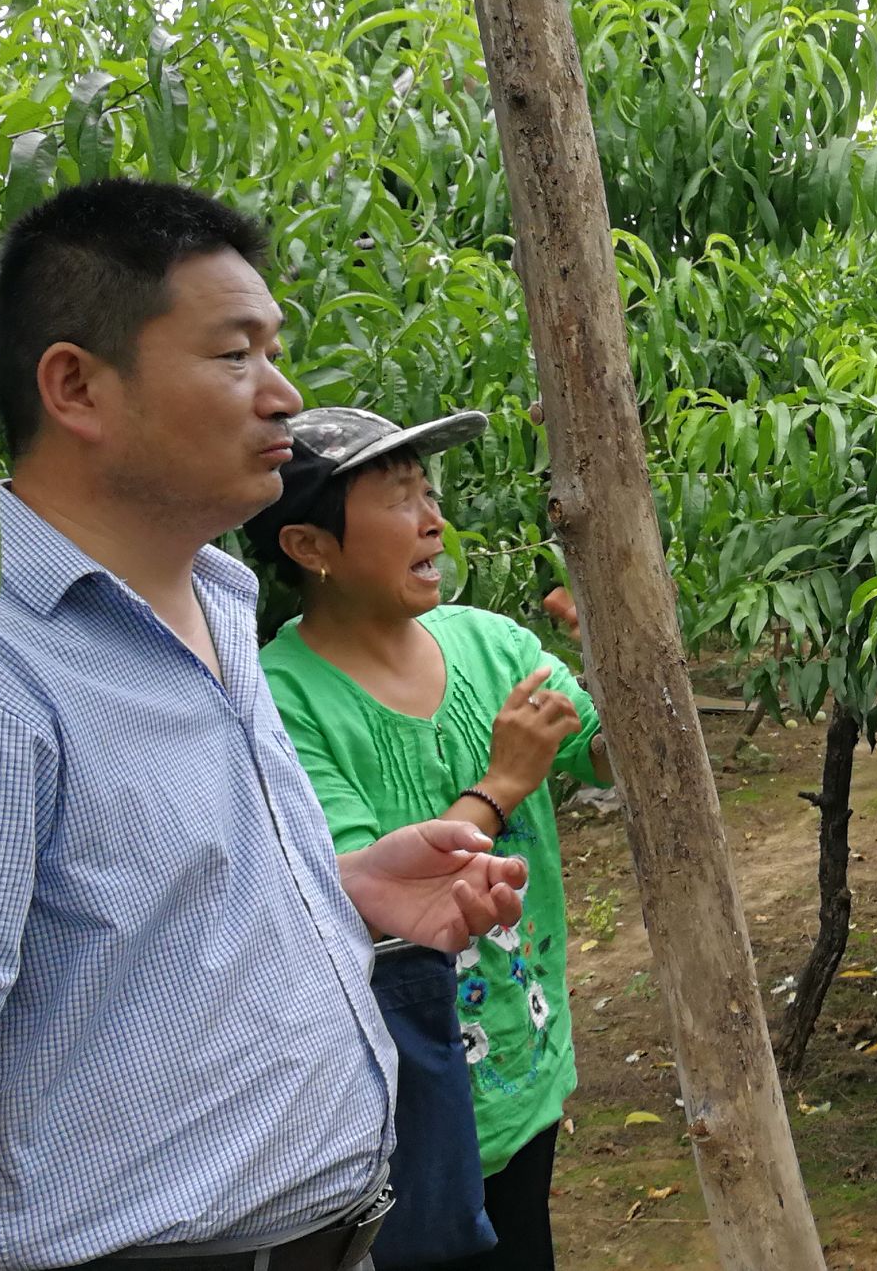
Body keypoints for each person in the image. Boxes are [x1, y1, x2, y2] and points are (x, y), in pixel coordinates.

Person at [0, 180, 529, 1271]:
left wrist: (345, 887)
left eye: (274, 351)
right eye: (235, 356)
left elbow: (127, 914)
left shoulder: (214, 595)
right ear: (76, 385)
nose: (283, 395)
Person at [243, 406, 608, 1271]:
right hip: (398, 1102)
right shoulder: (280, 702)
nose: (432, 518)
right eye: (397, 497)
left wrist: (625, 652)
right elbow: (359, 907)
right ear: (309, 547)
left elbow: (605, 753)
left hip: (525, 1064)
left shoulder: (491, 645)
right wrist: (502, 784)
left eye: (427, 490)